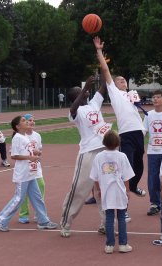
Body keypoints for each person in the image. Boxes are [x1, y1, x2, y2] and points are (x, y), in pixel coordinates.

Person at [93, 37, 146, 223]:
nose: (122, 81)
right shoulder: (114, 94)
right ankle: (124, 209)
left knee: (139, 165)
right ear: (114, 85)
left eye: (124, 80)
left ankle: (133, 186)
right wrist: (99, 52)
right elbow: (106, 71)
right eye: (119, 80)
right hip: (126, 135)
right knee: (126, 167)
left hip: (139, 133)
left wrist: (137, 102)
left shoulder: (132, 96)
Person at [60, 76, 110, 238]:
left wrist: (103, 67)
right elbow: (72, 110)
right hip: (88, 152)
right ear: (76, 95)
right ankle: (66, 223)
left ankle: (105, 223)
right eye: (80, 91)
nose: (86, 91)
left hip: (105, 150)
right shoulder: (76, 111)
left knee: (104, 189)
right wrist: (85, 88)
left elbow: (104, 86)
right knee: (79, 189)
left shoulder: (94, 103)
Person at [0, 116, 57, 232]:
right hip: (22, 175)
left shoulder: (25, 137)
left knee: (37, 198)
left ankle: (43, 221)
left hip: (30, 173)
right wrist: (30, 157)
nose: (26, 122)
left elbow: (28, 150)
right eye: (23, 121)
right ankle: (1, 219)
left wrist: (35, 152)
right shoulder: (17, 137)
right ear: (17, 126)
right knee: (18, 199)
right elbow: (14, 155)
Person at [90, 130, 134, 254]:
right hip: (119, 190)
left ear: (104, 143)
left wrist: (99, 189)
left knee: (109, 218)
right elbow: (126, 176)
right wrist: (128, 190)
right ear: (118, 143)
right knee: (121, 217)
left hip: (106, 191)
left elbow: (95, 177)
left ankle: (109, 245)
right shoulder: (122, 156)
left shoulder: (99, 157)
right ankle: (123, 244)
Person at [17, 114, 45, 224]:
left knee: (41, 186)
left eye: (33, 120)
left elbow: (39, 149)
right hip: (25, 167)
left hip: (36, 167)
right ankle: (23, 214)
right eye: (29, 120)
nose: (32, 122)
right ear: (24, 123)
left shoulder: (37, 135)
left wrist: (38, 153)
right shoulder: (20, 136)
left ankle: (39, 213)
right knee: (24, 192)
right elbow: (14, 153)